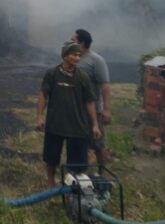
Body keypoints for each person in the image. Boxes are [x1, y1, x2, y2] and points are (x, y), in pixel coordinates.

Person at [36, 40, 101, 188]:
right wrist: (39, 116)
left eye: (79, 55)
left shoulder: (82, 77)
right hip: (55, 123)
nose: (77, 58)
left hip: (77, 125)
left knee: (78, 160)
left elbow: (90, 102)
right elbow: (43, 94)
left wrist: (95, 125)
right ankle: (51, 182)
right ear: (65, 56)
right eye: (74, 55)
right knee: (51, 156)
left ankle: (74, 184)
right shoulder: (52, 74)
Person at [73, 29, 111, 167]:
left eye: (73, 40)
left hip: (93, 110)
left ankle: (102, 173)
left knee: (97, 144)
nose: (71, 43)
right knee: (78, 142)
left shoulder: (96, 60)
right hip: (76, 110)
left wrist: (106, 110)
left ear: (82, 43)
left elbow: (105, 85)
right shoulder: (73, 59)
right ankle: (79, 171)